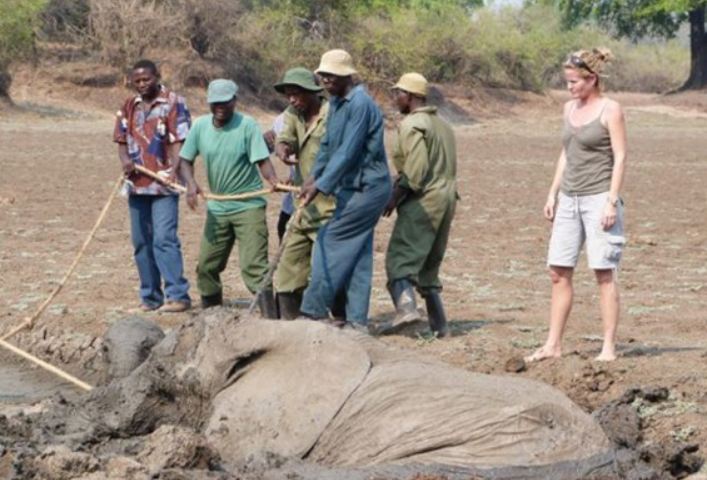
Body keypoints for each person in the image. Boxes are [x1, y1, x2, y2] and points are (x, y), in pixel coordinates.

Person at [526, 48, 627, 362]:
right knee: (558, 271)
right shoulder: (568, 109)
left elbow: (621, 156)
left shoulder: (611, 110)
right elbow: (566, 153)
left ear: (591, 79)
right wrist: (552, 193)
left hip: (598, 198)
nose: (569, 87)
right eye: (567, 81)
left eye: (573, 82)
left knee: (603, 272)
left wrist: (611, 201)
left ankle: (608, 347)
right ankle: (553, 344)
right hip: (569, 198)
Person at [298, 50, 392, 327]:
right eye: (323, 75)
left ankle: (312, 310)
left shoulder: (360, 104)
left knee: (330, 240)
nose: (325, 80)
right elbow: (327, 147)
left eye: (331, 76)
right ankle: (357, 322)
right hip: (350, 188)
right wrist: (312, 177)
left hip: (368, 187)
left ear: (346, 76)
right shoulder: (336, 104)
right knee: (358, 254)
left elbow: (348, 152)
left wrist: (322, 186)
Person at [177, 79, 279, 318]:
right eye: (215, 103)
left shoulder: (247, 125)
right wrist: (191, 184)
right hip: (217, 208)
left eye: (226, 102)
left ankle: (272, 321)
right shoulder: (200, 126)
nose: (220, 107)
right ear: (209, 103)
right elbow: (185, 160)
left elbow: (262, 160)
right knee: (206, 266)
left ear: (234, 100)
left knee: (253, 267)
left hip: (248, 207)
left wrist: (273, 180)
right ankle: (211, 320)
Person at [379, 73, 457, 337]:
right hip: (447, 197)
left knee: (400, 258)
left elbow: (416, 169)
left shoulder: (413, 124)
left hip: (424, 199)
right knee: (430, 264)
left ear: (409, 97)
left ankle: (406, 309)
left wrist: (394, 197)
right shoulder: (442, 125)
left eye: (398, 94)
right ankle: (440, 326)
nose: (395, 99)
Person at [113, 59, 191, 313]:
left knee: (164, 238)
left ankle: (177, 296)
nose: (142, 84)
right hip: (137, 185)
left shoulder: (173, 103)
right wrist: (126, 162)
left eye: (146, 79)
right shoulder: (129, 106)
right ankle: (150, 298)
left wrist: (175, 170)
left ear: (157, 76)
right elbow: (121, 140)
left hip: (164, 185)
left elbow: (181, 142)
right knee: (141, 241)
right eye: (137, 81)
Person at [271, 67, 335, 319]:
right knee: (287, 268)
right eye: (288, 95)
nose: (292, 100)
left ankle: (335, 320)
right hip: (303, 207)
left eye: (296, 94)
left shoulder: (333, 115)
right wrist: (283, 148)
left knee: (326, 270)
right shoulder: (292, 113)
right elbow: (285, 136)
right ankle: (290, 325)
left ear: (312, 93)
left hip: (330, 207)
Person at [262, 112, 293, 242]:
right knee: (283, 228)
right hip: (294, 195)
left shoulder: (328, 115)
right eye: (289, 93)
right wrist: (263, 140)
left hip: (323, 195)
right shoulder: (282, 119)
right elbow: (265, 150)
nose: (292, 99)